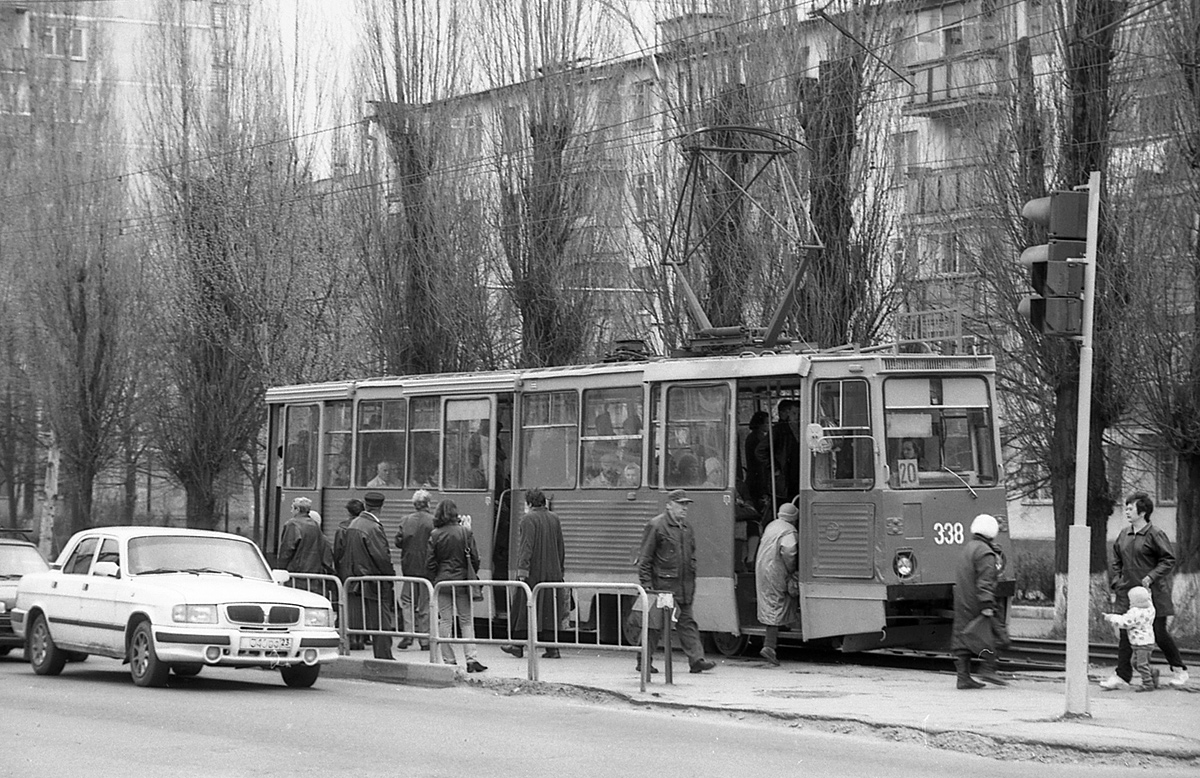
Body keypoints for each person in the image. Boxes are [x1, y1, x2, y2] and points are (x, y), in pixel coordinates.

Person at [1101, 493, 1189, 689]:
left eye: (1131, 508)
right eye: (1127, 508)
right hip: (1127, 593)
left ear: (1143, 512)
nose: (1127, 511)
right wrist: (1117, 580)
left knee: (1158, 632)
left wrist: (1150, 577)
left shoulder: (1155, 534)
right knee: (1125, 632)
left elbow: (1168, 560)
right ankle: (1122, 675)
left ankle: (1179, 669)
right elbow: (1117, 560)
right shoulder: (1124, 534)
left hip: (1153, 594)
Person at [636, 489, 716, 675]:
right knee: (656, 625)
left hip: (684, 587)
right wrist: (647, 586)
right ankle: (643, 660)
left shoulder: (687, 528)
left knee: (687, 623)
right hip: (662, 587)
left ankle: (697, 660)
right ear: (669, 505)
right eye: (680, 504)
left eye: (686, 504)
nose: (684, 508)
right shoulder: (656, 526)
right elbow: (645, 558)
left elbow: (691, 556)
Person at [501, 488, 566, 659]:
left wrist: (522, 570)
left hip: (533, 573)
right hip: (553, 572)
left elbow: (526, 547)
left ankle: (517, 645)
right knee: (549, 611)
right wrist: (560, 570)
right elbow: (560, 546)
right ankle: (552, 649)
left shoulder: (528, 519)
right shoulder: (554, 518)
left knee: (524, 607)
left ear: (529, 503)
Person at [426, 499, 486, 672]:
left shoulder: (435, 534)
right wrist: (470, 572)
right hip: (462, 581)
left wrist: (435, 577)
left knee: (445, 620)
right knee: (466, 620)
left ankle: (449, 660)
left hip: (442, 583)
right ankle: (471, 659)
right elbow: (475, 558)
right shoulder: (465, 532)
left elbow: (430, 562)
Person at [950, 513, 1006, 689]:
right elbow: (985, 581)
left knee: (963, 637)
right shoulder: (985, 553)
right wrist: (987, 605)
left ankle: (963, 678)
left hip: (963, 600)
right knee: (991, 635)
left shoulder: (968, 548)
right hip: (977, 602)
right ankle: (988, 668)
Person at [343, 492, 396, 660]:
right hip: (375, 580)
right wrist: (390, 576)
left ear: (366, 505)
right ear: (381, 507)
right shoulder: (373, 527)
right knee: (382, 622)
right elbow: (381, 557)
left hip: (357, 578)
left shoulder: (354, 524)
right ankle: (384, 657)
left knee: (366, 620)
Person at [755, 502, 800, 666]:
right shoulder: (789, 531)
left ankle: (783, 627)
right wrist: (792, 569)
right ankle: (769, 646)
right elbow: (789, 552)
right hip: (777, 569)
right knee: (777, 603)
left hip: (763, 567)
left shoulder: (772, 525)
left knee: (772, 601)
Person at [395, 489, 435, 651]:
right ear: (428, 504)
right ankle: (425, 639)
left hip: (409, 567)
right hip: (427, 568)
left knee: (407, 601)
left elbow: (398, 541)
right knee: (425, 603)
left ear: (414, 505)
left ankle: (408, 634)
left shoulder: (406, 520)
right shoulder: (433, 521)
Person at [1103, 586, 1160, 692]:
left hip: (1141, 643)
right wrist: (1149, 592)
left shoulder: (1134, 612)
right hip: (1147, 642)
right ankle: (1152, 673)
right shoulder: (1150, 609)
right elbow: (1150, 600)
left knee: (1140, 664)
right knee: (1136, 663)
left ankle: (1148, 684)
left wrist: (1111, 617)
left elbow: (1125, 622)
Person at [276, 497, 334, 596]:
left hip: (296, 574)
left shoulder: (292, 524)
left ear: (297, 509)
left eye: (292, 508)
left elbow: (287, 550)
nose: (291, 511)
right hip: (313, 575)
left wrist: (281, 570)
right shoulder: (315, 525)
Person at [334, 498, 366, 650]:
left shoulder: (342, 528)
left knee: (346, 604)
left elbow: (338, 551)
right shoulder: (366, 526)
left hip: (346, 570)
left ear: (348, 512)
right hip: (362, 569)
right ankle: (360, 638)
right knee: (360, 605)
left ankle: (348, 637)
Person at [744, 410, 771, 510]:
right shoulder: (758, 438)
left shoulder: (753, 436)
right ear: (760, 424)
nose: (769, 425)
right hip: (759, 476)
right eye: (766, 423)